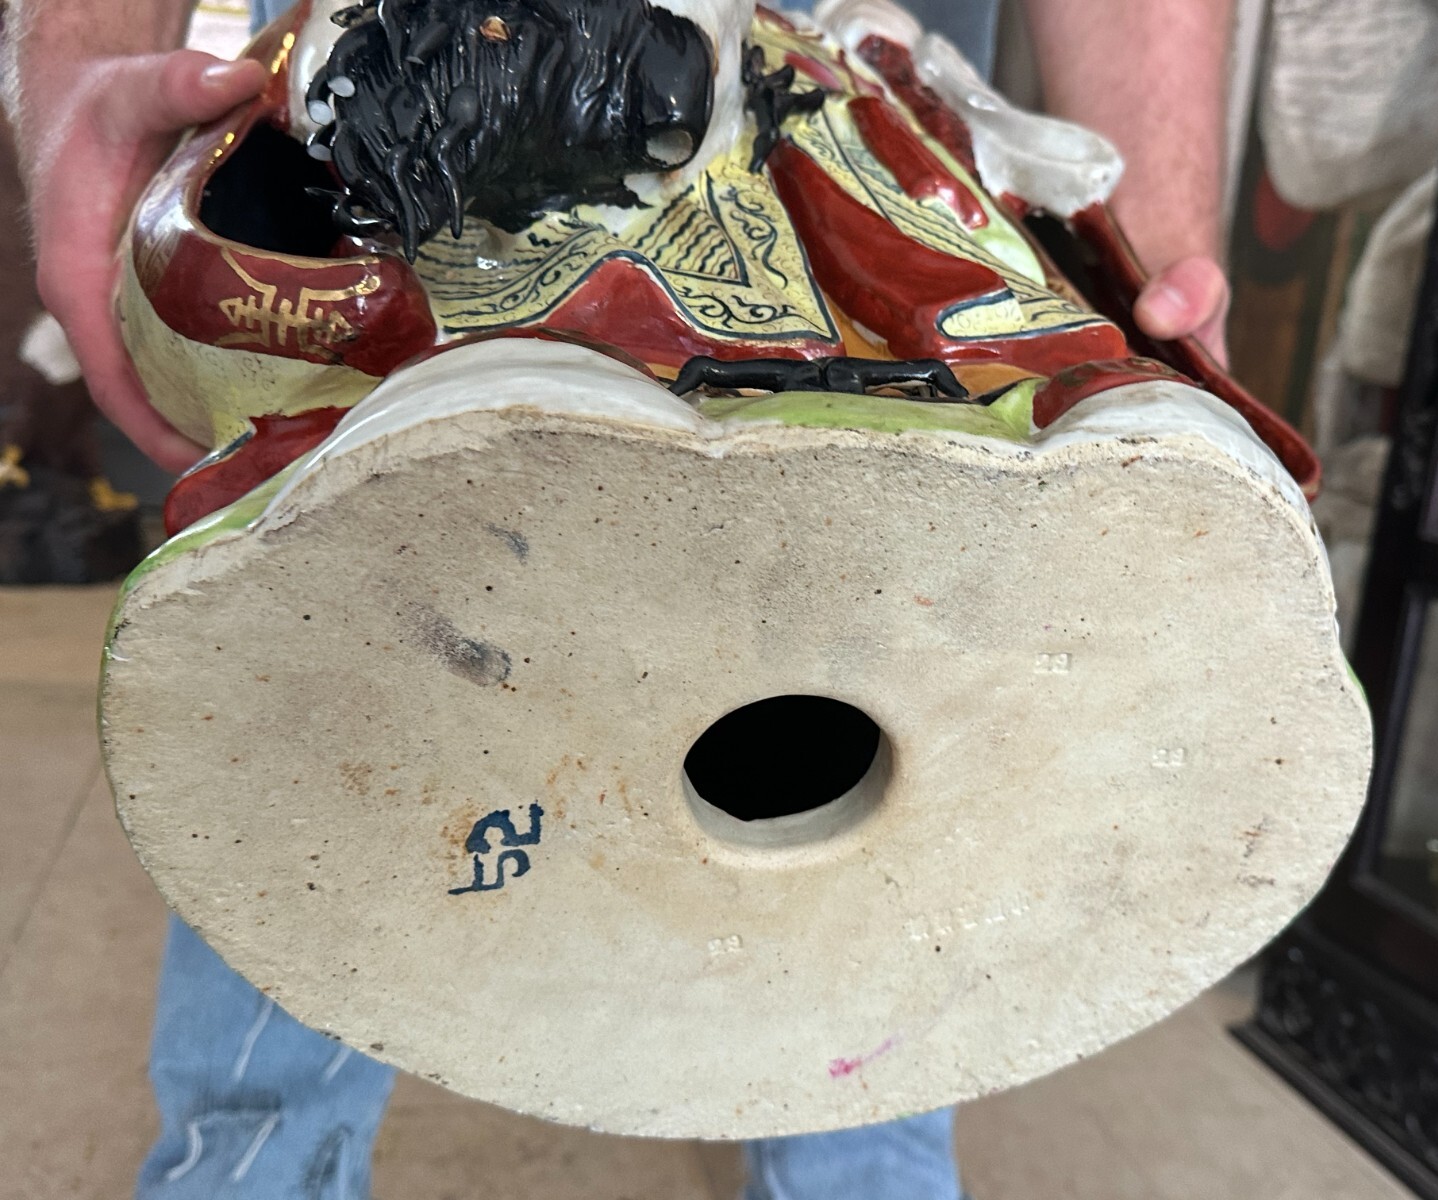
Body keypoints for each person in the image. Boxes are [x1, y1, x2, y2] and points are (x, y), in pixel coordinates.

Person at [5, 0, 1235, 1196]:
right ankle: (255, 1164)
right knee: (343, 655)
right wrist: (74, 102)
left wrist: (1147, 264)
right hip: (408, 92)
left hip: (818, 81)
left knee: (892, 678)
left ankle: (857, 1154)